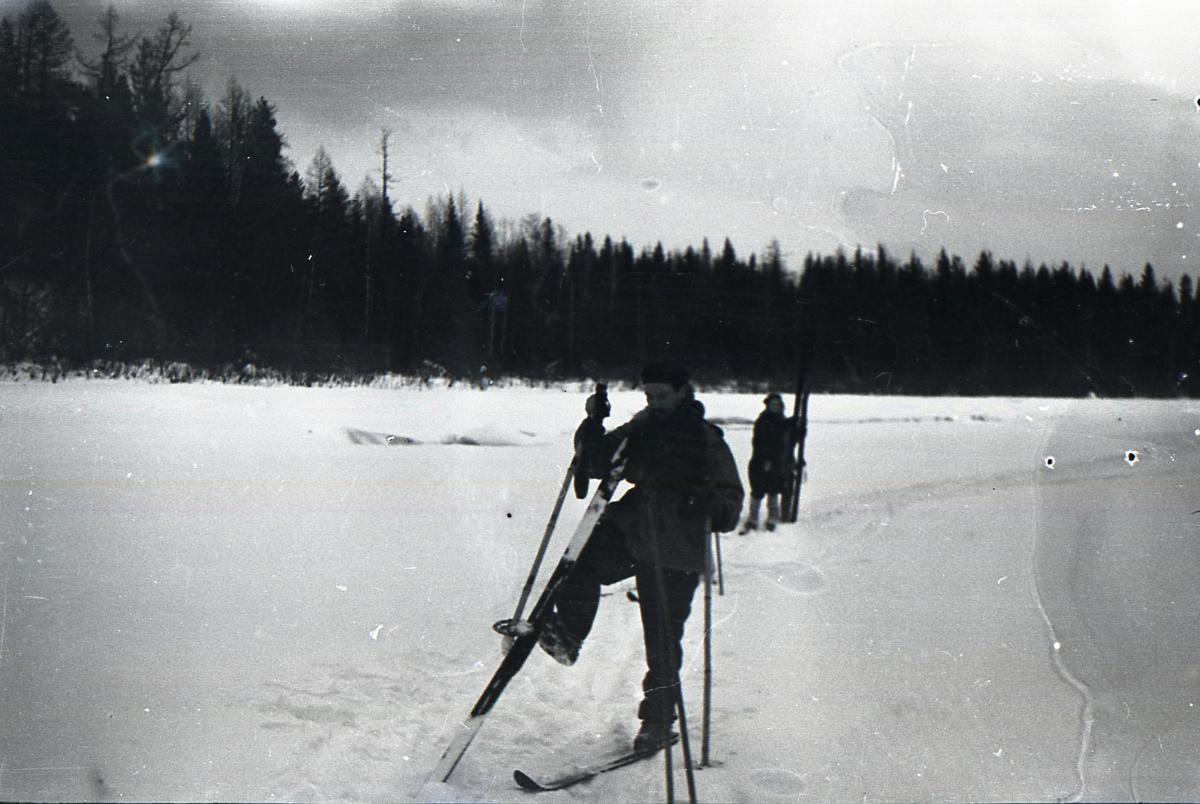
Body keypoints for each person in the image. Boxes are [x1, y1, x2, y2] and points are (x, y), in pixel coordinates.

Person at [540, 361, 743, 753]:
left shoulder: (705, 440)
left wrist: (707, 501)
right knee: (579, 560)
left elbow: (731, 504)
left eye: (662, 396)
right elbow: (595, 462)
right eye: (649, 396)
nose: (655, 403)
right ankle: (568, 634)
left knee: (662, 638)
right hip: (633, 531)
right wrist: (593, 424)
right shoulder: (641, 428)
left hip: (677, 548)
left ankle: (657, 721)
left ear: (684, 391)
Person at [740, 392, 795, 533]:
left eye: (777, 405)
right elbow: (762, 442)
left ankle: (772, 518)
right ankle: (753, 519)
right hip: (760, 461)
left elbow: (789, 441)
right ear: (768, 406)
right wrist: (766, 460)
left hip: (777, 463)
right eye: (773, 404)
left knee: (773, 490)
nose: (775, 407)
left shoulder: (782, 420)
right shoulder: (763, 421)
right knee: (757, 491)